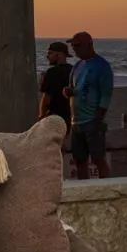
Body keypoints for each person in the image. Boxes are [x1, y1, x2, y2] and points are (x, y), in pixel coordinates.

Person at [68, 31, 114, 179]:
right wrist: (68, 92)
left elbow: (106, 95)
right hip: (76, 122)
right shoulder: (77, 66)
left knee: (98, 158)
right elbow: (74, 89)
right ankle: (83, 188)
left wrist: (97, 119)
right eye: (73, 45)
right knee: (80, 160)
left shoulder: (102, 66)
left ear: (89, 45)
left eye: (77, 45)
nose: (74, 49)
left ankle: (106, 188)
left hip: (91, 121)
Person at [37, 40, 74, 129]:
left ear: (59, 54)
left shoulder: (52, 72)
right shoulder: (73, 70)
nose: (47, 56)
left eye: (50, 53)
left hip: (54, 116)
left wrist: (41, 116)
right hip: (69, 116)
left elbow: (46, 98)